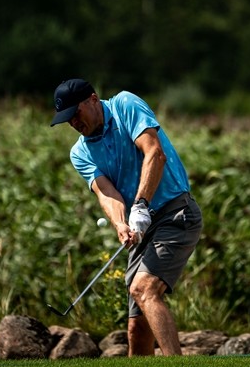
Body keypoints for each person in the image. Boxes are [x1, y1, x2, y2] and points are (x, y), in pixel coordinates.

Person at [50, 78, 202, 356]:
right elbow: (106, 193)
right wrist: (121, 224)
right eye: (67, 120)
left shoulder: (124, 105)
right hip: (139, 227)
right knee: (137, 328)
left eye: (75, 114)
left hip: (175, 213)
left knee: (144, 289)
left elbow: (155, 153)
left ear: (93, 100)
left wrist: (141, 204)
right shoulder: (80, 152)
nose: (73, 123)